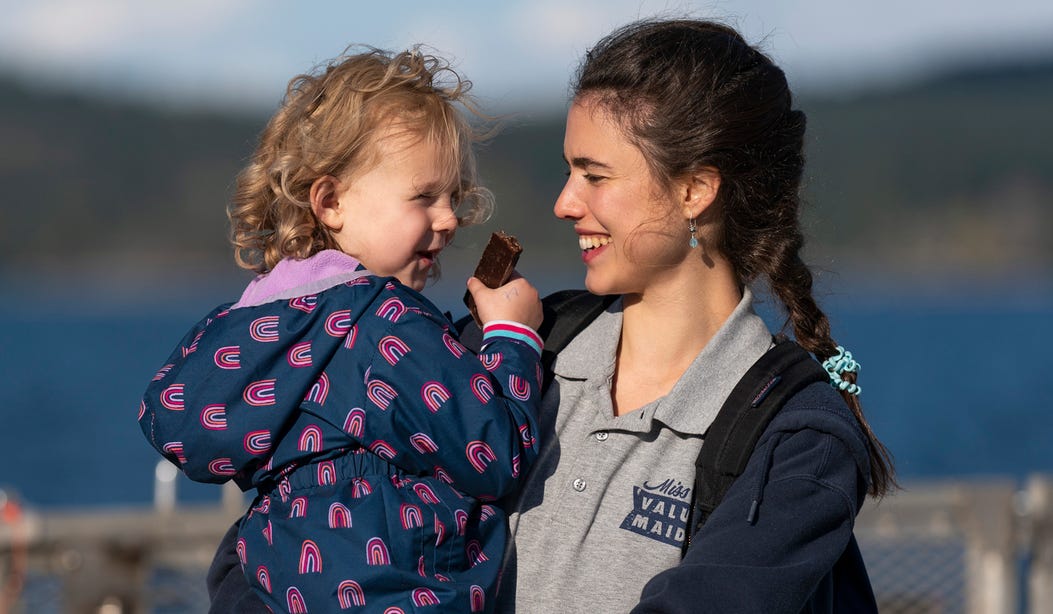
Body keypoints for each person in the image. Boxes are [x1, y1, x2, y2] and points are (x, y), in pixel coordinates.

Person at [207, 18, 895, 613]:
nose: (566, 202)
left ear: (694, 189)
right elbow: (278, 536)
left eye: (595, 176)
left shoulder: (797, 440)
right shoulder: (505, 348)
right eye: (569, 172)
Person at [138, 46, 544, 613]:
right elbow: (495, 455)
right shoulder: (381, 320)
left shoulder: (261, 321)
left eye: (454, 197)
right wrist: (511, 338)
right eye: (424, 196)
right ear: (330, 202)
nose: (450, 219)